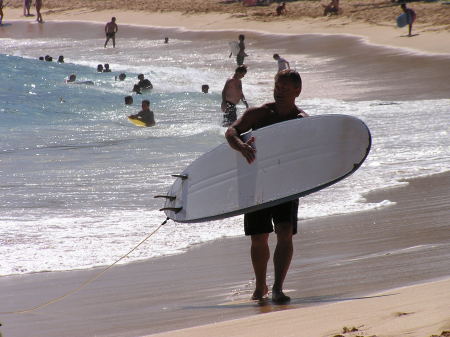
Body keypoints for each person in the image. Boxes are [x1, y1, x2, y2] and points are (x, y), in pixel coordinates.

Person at [224, 69, 308, 304]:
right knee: (259, 237)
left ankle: (278, 288)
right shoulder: (259, 114)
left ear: (297, 91)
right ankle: (261, 285)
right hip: (256, 182)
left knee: (284, 232)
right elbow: (231, 132)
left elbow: (310, 152)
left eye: (284, 88)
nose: (279, 91)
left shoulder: (301, 120)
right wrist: (241, 146)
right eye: (277, 86)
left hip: (285, 183)